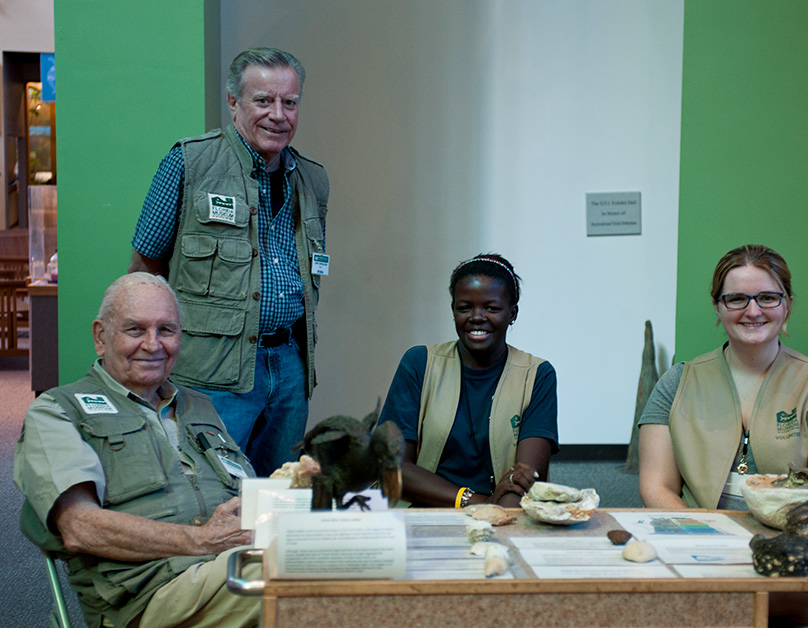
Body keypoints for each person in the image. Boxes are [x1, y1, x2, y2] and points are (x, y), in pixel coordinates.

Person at [14, 273, 259, 628]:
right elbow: (80, 527)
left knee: (346, 556)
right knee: (307, 578)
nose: (153, 344)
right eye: (135, 330)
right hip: (149, 594)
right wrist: (200, 541)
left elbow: (248, 492)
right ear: (101, 337)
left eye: (166, 330)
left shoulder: (197, 406)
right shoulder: (59, 410)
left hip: (233, 564)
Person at [129, 47, 329, 476]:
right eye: (263, 101)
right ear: (233, 102)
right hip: (213, 374)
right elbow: (144, 270)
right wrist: (150, 358)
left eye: (289, 102)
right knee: (210, 492)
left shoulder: (313, 179)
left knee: (280, 490)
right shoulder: (188, 162)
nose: (278, 114)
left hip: (290, 368)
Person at [638, 244, 808, 624]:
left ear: (787, 304)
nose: (753, 311)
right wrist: (711, 540)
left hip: (799, 558)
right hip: (699, 546)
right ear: (718, 306)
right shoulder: (677, 382)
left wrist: (761, 555)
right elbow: (656, 488)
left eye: (768, 298)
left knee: (726, 604)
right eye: (737, 299)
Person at [378, 254, 558, 508]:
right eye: (464, 307)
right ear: (453, 310)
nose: (476, 317)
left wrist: (494, 513)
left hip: (503, 514)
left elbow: (526, 478)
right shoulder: (419, 362)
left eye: (492, 308)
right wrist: (475, 502)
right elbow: (392, 468)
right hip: (422, 511)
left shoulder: (537, 374)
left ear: (512, 313)